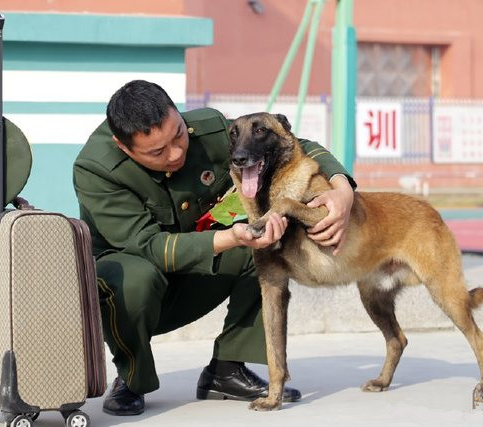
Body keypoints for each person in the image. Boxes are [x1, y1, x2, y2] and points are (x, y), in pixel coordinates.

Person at [73, 80, 356, 416]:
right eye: (157, 153)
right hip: (134, 288)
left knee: (264, 249)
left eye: (178, 135)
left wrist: (342, 188)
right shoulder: (96, 170)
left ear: (177, 114)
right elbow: (148, 246)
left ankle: (226, 370)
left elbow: (289, 142)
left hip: (195, 269)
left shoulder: (208, 130)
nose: (176, 154)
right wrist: (232, 237)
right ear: (124, 147)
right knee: (135, 276)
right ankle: (132, 378)